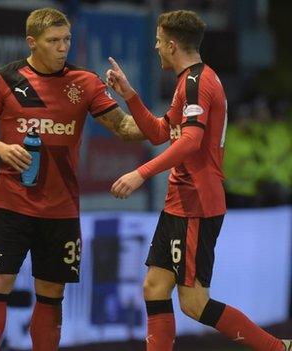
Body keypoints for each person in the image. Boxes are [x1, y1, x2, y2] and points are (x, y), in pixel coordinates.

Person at [105, 9, 291, 351]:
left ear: (173, 45)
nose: (156, 47)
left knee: (194, 303)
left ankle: (278, 348)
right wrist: (129, 95)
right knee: (154, 287)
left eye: (159, 42)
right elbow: (161, 132)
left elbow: (190, 142)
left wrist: (140, 173)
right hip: (181, 202)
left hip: (196, 204)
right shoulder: (190, 82)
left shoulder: (196, 83)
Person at [0, 7, 144, 351]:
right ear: (32, 42)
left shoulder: (85, 82)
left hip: (60, 209)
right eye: (54, 41)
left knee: (51, 292)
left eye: (67, 40)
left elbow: (125, 128)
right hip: (11, 205)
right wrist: (0, 148)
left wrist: (165, 122)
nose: (63, 48)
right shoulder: (3, 79)